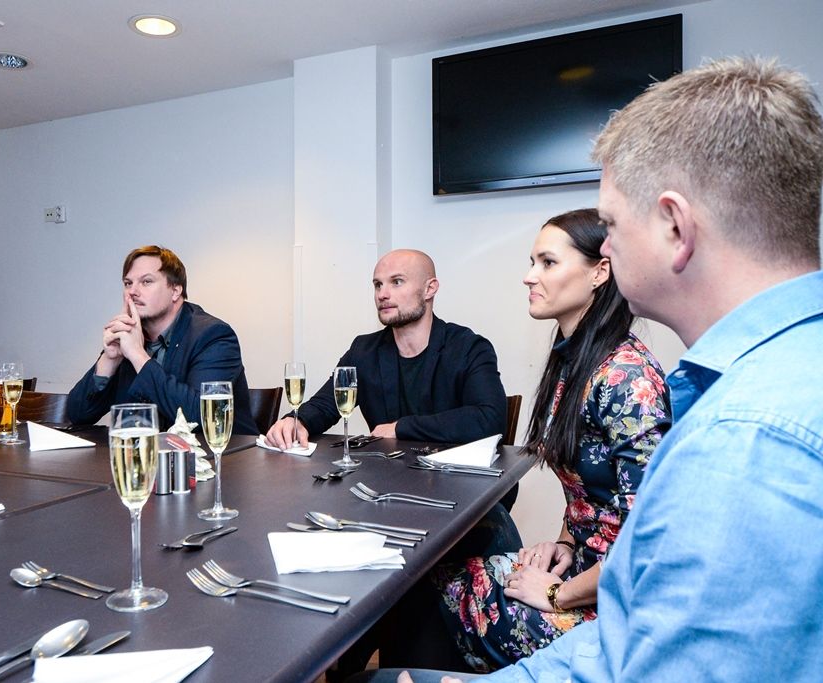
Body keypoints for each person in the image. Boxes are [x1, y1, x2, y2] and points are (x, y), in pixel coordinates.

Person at [359, 56, 823, 683]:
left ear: (676, 226)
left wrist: (556, 593)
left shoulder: (740, 433)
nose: (607, 245)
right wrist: (564, 550)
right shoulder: (752, 386)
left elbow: (646, 654)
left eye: (611, 225)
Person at [427, 209, 670, 673]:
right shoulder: (574, 362)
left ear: (599, 272)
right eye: (532, 262)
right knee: (440, 575)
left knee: (455, 590)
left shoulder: (626, 378)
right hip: (586, 567)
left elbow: (647, 540)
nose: (529, 276)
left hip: (618, 602)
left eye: (548, 262)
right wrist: (565, 543)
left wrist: (557, 593)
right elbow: (588, 489)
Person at [264, 248, 506, 449]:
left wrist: (400, 428)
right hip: (385, 480)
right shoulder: (364, 350)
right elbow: (326, 405)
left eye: (397, 282)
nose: (383, 294)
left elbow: (489, 419)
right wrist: (298, 421)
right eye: (378, 285)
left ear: (430, 289)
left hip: (456, 482)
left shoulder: (469, 347)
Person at [67, 245, 258, 434]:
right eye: (128, 283)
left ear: (175, 291)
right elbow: (77, 416)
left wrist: (137, 355)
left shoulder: (213, 336)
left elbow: (200, 418)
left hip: (222, 453)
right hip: (148, 451)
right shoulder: (129, 336)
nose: (132, 291)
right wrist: (110, 360)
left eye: (146, 282)